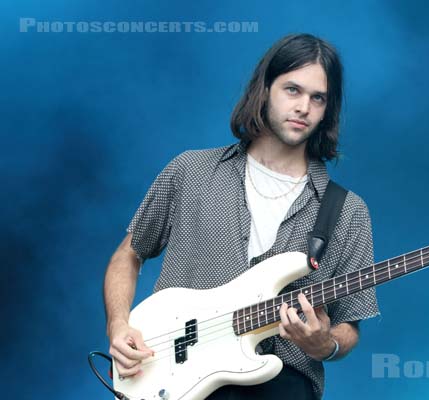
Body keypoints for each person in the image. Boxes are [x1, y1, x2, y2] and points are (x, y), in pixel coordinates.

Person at [103, 33, 380, 400]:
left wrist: (324, 344)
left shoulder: (346, 210)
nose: (303, 107)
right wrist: (119, 325)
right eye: (292, 90)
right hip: (172, 377)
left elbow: (349, 325)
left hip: (283, 384)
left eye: (318, 98)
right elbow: (129, 254)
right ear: (264, 90)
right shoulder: (191, 171)